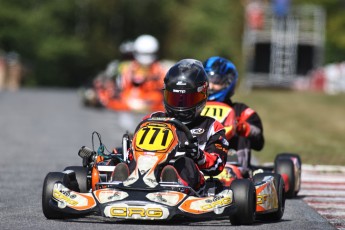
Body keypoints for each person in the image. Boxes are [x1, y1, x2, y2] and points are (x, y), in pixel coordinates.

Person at [115, 59, 229, 195]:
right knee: (132, 159)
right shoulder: (152, 119)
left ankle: (174, 184)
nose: (180, 105)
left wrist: (199, 155)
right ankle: (120, 183)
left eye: (186, 100)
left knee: (184, 162)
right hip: (150, 172)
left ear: (202, 96)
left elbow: (218, 165)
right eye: (174, 98)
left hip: (193, 186)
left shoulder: (212, 127)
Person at [203, 56, 264, 177]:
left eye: (216, 81)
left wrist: (244, 128)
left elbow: (259, 142)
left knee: (240, 137)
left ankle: (237, 170)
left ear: (228, 83)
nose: (210, 86)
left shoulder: (241, 111)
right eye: (207, 80)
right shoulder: (195, 109)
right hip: (201, 158)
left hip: (230, 160)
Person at [97, 34, 168, 112]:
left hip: (152, 100)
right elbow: (118, 85)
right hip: (129, 97)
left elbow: (164, 89)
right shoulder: (127, 68)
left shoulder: (161, 70)